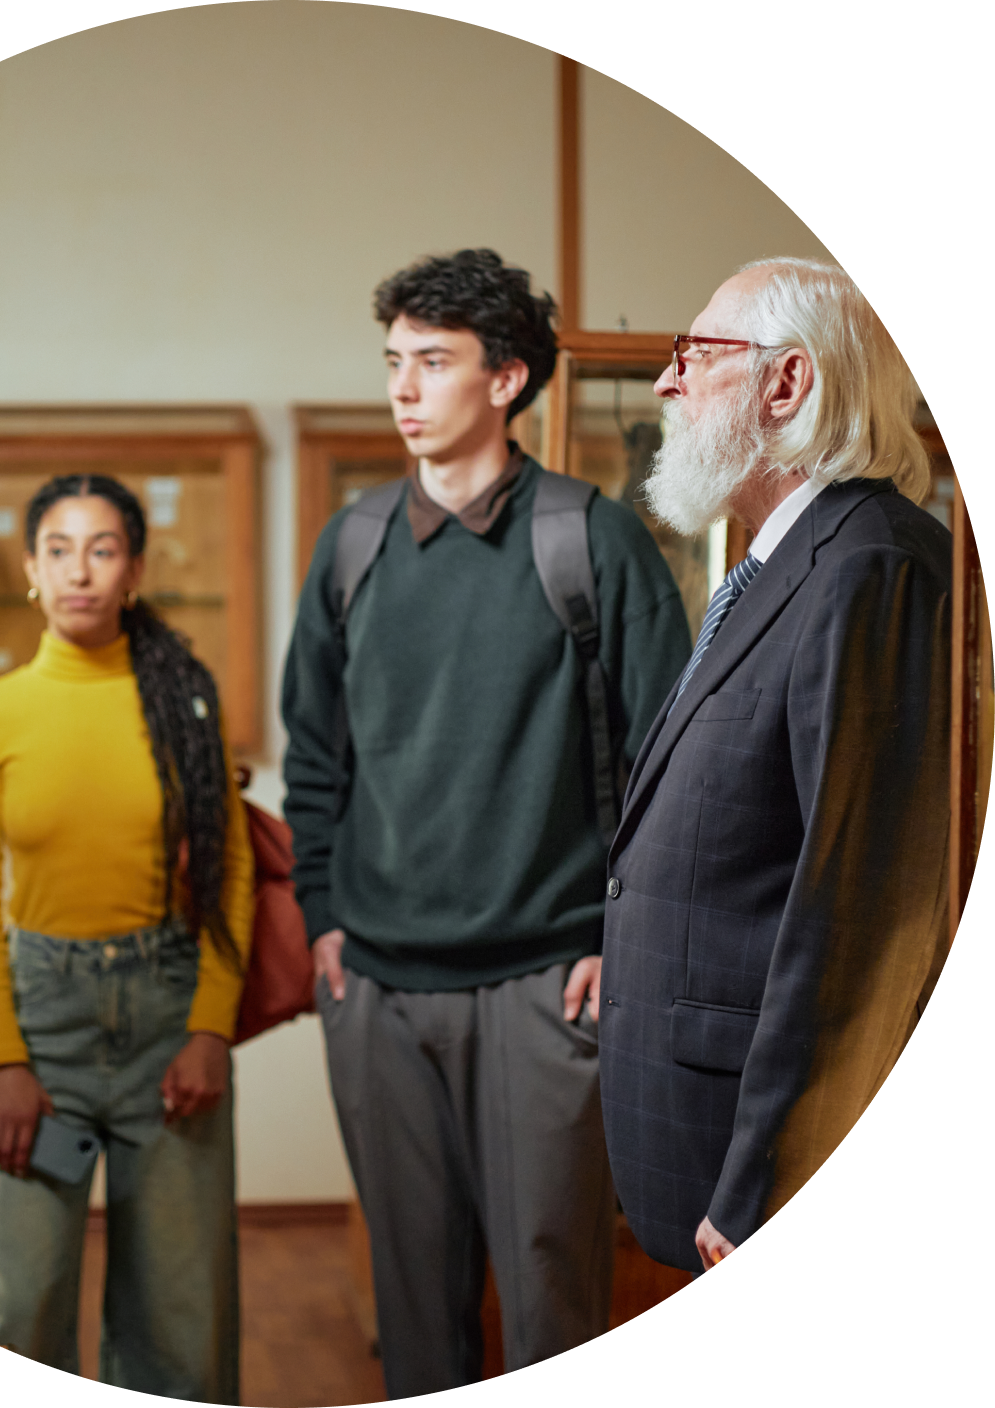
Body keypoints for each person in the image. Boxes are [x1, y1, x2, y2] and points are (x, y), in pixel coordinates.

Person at [280, 248, 694, 1395]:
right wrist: (322, 915)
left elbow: (670, 765)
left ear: (505, 379)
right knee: (412, 1312)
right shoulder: (353, 546)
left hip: (544, 984)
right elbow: (312, 756)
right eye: (391, 364)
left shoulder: (588, 539)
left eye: (432, 362)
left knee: (553, 1295)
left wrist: (623, 939)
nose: (402, 389)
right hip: (375, 986)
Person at [598, 258, 951, 1275]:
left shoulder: (870, 566)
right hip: (702, 1114)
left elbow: (862, 916)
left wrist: (774, 1172)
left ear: (784, 384)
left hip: (764, 1153)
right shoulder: (774, 565)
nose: (664, 383)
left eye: (693, 355)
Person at [0, 473, 253, 1399]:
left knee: (180, 1323)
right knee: (18, 1306)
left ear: (135, 570)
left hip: (169, 1019)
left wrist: (210, 1030)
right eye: (59, 549)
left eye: (104, 548)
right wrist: (5, 1062)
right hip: (44, 1034)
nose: (80, 569)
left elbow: (230, 876)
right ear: (33, 572)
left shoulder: (187, 701)